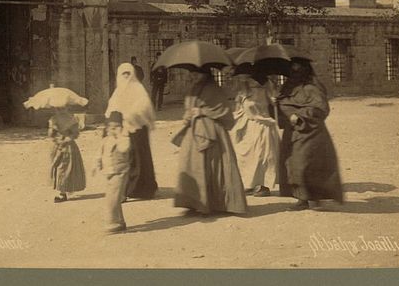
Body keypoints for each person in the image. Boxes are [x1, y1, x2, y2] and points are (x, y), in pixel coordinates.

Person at [172, 69, 247, 215]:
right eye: (194, 72)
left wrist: (203, 112)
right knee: (192, 166)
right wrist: (188, 114)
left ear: (206, 74)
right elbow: (189, 108)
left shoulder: (214, 89)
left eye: (198, 73)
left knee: (213, 166)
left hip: (213, 133)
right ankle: (194, 203)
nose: (194, 75)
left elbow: (224, 110)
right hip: (194, 132)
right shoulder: (193, 89)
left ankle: (215, 203)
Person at [276, 60, 343, 210]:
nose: (295, 74)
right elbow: (282, 105)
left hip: (311, 133)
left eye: (298, 70)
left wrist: (300, 115)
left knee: (307, 164)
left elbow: (321, 108)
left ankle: (316, 198)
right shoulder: (287, 87)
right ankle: (302, 198)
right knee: (292, 164)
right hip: (291, 133)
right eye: (292, 71)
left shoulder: (313, 88)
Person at [105, 62, 158, 199]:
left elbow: (145, 107)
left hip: (138, 130)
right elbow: (111, 110)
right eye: (123, 74)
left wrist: (132, 115)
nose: (126, 77)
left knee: (140, 159)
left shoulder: (138, 89)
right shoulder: (118, 92)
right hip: (122, 131)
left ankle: (144, 189)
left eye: (129, 73)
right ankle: (126, 190)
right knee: (124, 161)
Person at [231, 72, 280, 197]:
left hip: (262, 125)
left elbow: (274, 103)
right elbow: (237, 110)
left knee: (262, 156)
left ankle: (263, 186)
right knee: (245, 156)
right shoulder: (243, 92)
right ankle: (250, 183)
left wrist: (274, 97)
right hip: (247, 126)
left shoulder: (265, 88)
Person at [95, 111, 132, 233]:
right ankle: (120, 221)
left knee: (112, 198)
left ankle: (112, 223)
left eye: (117, 127)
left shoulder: (124, 140)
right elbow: (100, 153)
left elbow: (123, 148)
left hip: (120, 172)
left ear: (122, 127)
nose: (113, 129)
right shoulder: (106, 140)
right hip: (109, 171)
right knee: (114, 196)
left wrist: (120, 136)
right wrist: (97, 164)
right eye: (111, 127)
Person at [48, 108, 86, 203]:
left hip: (68, 147)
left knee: (65, 168)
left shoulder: (72, 119)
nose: (59, 110)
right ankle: (62, 190)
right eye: (57, 108)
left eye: (62, 108)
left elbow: (75, 134)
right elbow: (51, 135)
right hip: (57, 146)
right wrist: (52, 129)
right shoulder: (53, 119)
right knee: (57, 167)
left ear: (66, 107)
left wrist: (65, 140)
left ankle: (63, 192)